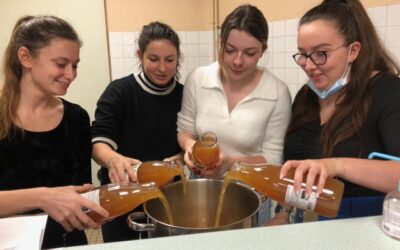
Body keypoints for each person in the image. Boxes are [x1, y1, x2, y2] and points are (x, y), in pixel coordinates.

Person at [278, 0, 400, 223]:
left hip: (362, 227)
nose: (309, 65)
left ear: (353, 50)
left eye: (321, 53)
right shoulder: (306, 97)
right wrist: (284, 213)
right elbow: (298, 172)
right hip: (305, 224)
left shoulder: (387, 91)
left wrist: (337, 165)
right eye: (303, 54)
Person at [0, 15, 108, 248]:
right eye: (61, 64)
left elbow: (79, 194)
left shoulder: (76, 118)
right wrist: (43, 197)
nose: (71, 74)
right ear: (25, 57)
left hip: (66, 242)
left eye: (75, 65)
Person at [177, 4, 292, 224]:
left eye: (250, 53)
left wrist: (231, 163)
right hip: (202, 190)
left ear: (262, 51)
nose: (238, 61)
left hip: (251, 196)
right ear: (221, 44)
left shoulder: (276, 92)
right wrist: (191, 148)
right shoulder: (198, 79)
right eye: (230, 50)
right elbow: (185, 131)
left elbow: (274, 159)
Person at [91, 21, 183, 242]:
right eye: (153, 59)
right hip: (122, 196)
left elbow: (189, 141)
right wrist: (114, 160)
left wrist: (181, 159)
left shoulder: (184, 95)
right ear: (139, 55)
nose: (162, 68)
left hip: (168, 197)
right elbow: (98, 144)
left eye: (170, 60)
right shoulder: (120, 92)